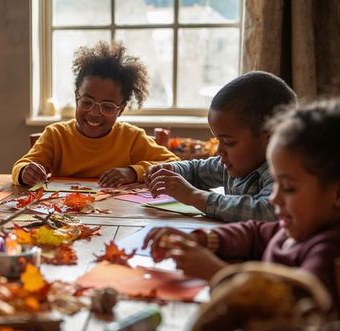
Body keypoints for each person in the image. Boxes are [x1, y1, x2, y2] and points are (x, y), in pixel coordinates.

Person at [145, 99, 340, 310]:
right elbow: (255, 233)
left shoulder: (329, 252)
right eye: (275, 185)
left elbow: (288, 307)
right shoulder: (293, 230)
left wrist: (218, 273)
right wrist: (201, 239)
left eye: (288, 188)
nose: (274, 199)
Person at [12, 40, 178, 187]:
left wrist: (133, 172)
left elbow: (174, 164)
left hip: (117, 217)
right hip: (63, 216)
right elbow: (21, 166)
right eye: (87, 102)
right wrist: (25, 172)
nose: (94, 113)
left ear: (120, 109)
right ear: (77, 96)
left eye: (107, 106)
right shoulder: (56, 135)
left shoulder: (131, 137)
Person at [146, 71, 297, 222]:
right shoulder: (232, 164)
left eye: (229, 143)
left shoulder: (283, 172)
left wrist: (194, 196)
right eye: (218, 140)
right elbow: (197, 171)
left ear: (271, 138)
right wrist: (170, 170)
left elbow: (265, 210)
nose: (219, 151)